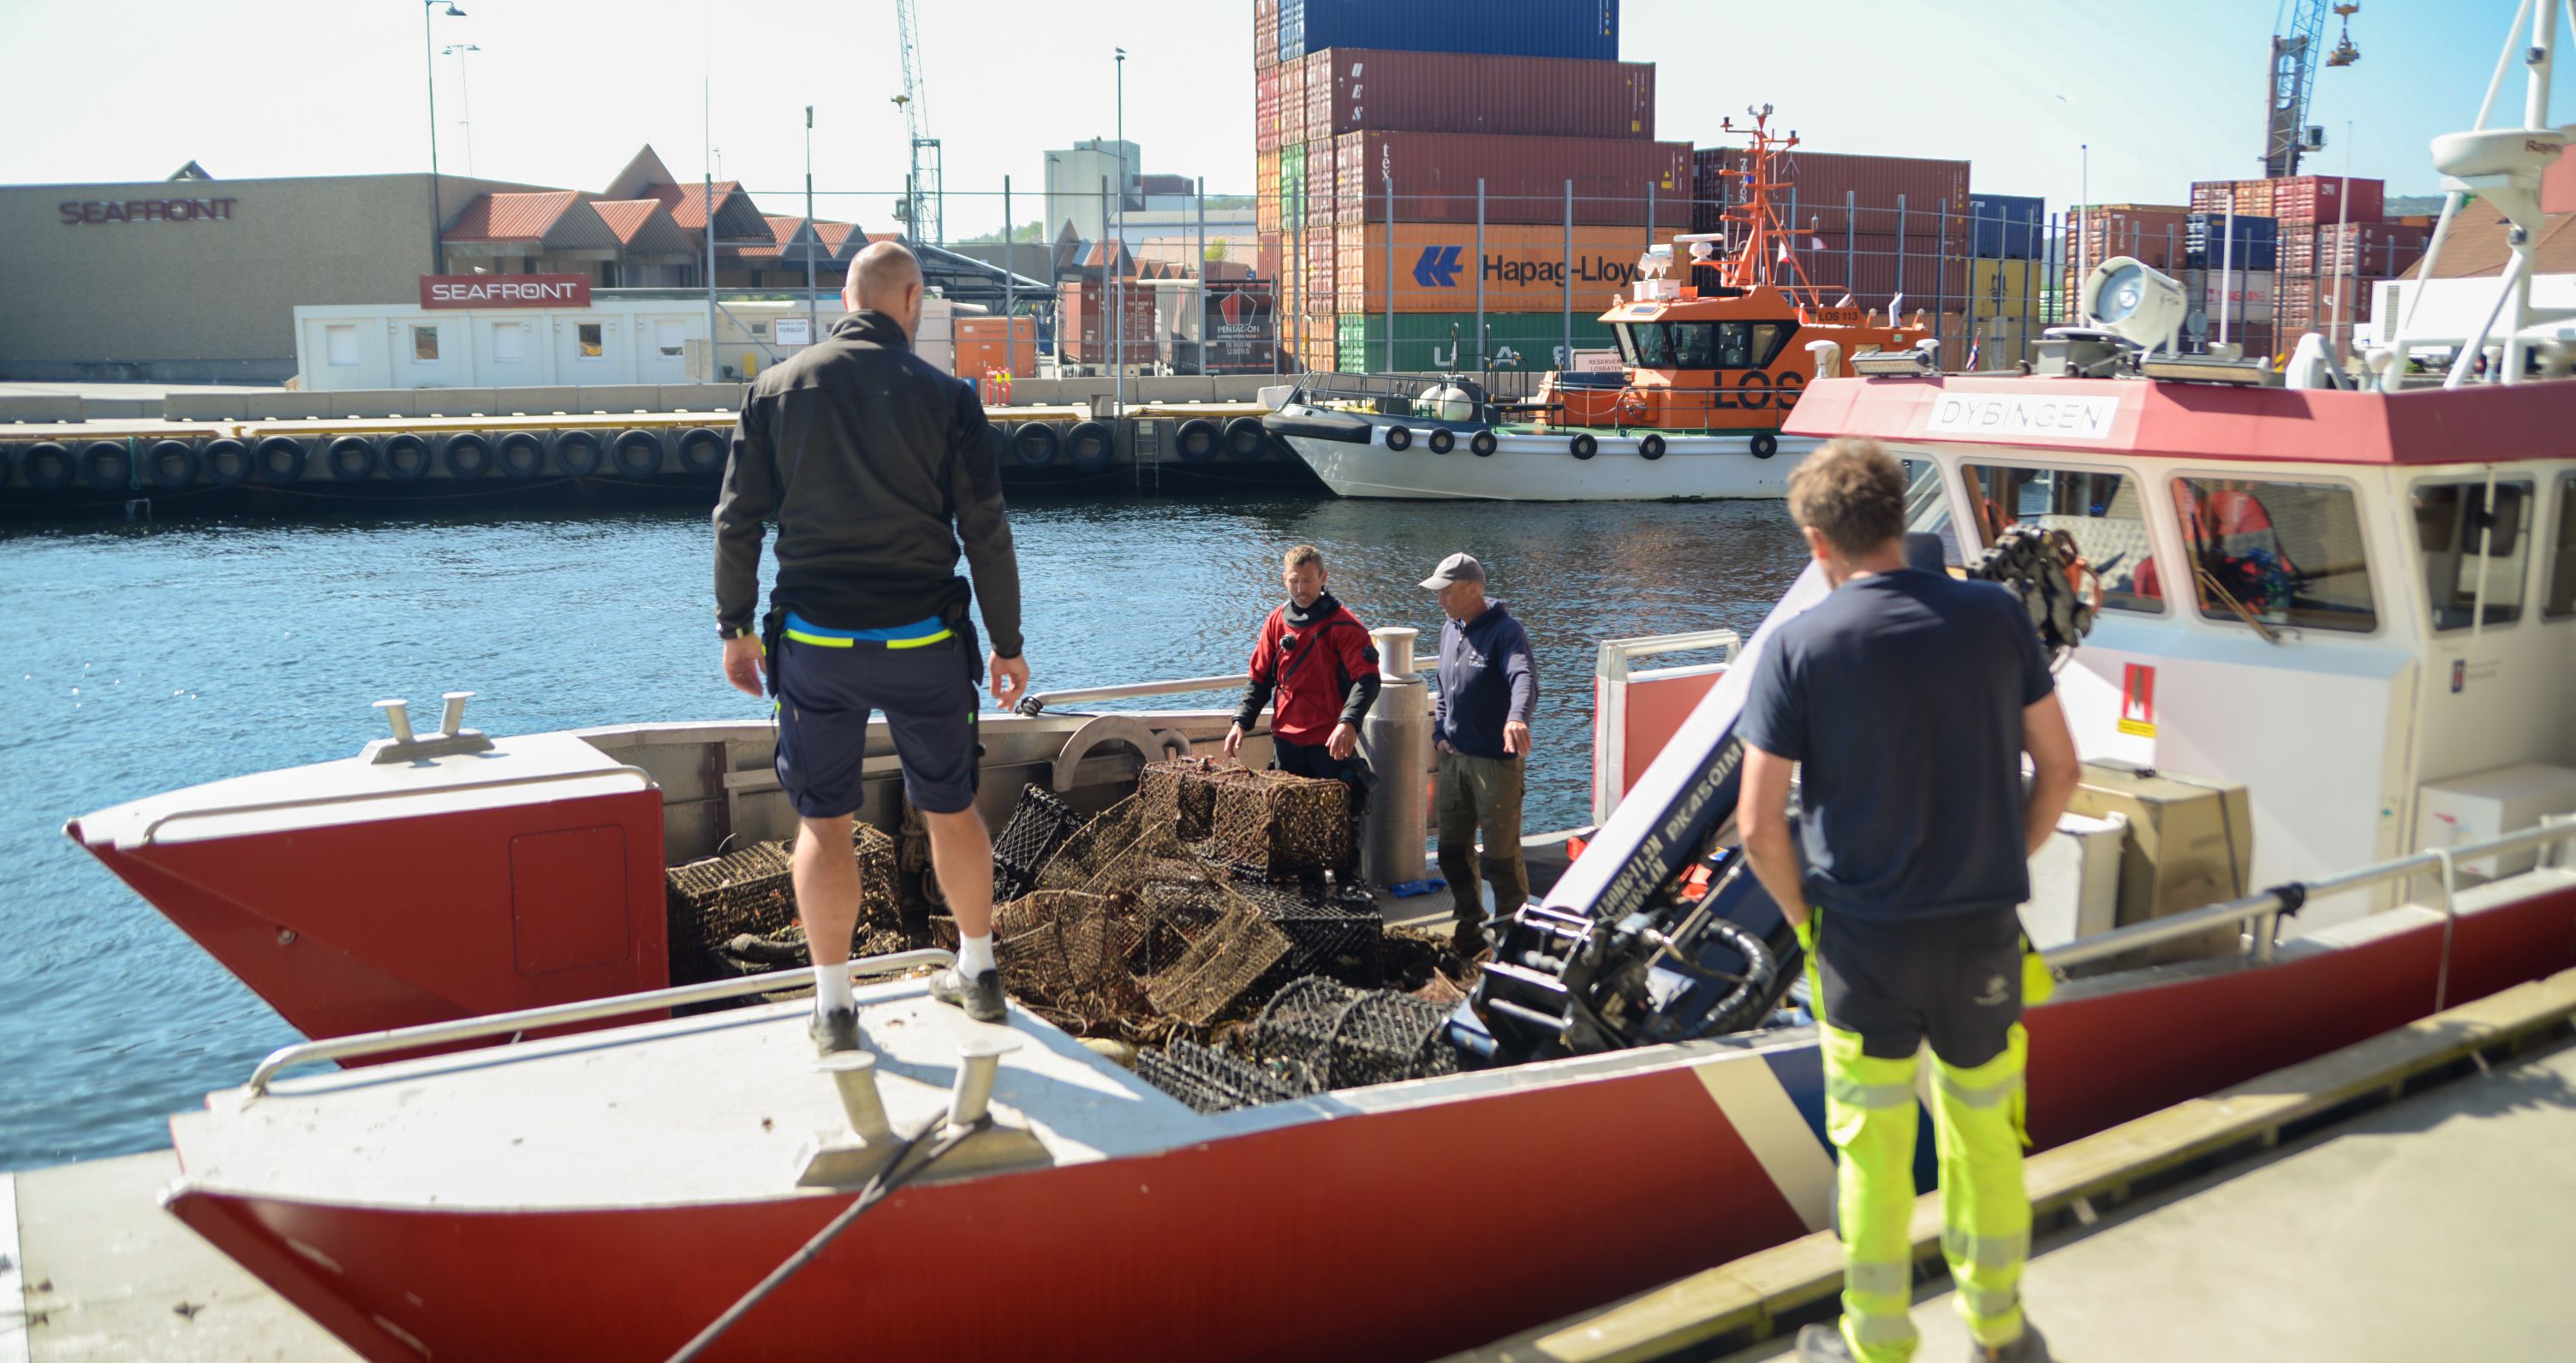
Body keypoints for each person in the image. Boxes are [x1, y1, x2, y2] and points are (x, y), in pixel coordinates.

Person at [1734, 439, 2079, 1363]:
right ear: (1898, 518)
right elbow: (2060, 767)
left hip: (1861, 948)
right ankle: (1999, 1330)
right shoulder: (1994, 617)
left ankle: (1875, 1342)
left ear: (1817, 542)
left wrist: (1810, 923)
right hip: (1978, 934)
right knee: (1985, 1135)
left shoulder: (1796, 646)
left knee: (1874, 1152)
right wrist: (2005, 852)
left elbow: (1757, 824)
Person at [714, 241, 1030, 1055]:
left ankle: (834, 1007)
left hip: (816, 646)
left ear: (845, 301)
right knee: (951, 806)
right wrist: (1007, 644)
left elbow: (737, 522)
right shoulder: (948, 397)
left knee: (823, 821)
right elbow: (985, 531)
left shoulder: (776, 390)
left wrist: (735, 628)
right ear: (912, 299)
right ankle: (979, 971)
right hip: (926, 641)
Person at [1422, 552, 1535, 957]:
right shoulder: (1450, 629)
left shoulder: (1506, 632)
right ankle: (1470, 923)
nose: (1441, 601)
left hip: (1495, 763)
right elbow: (1444, 686)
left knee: (1502, 858)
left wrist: (1516, 718)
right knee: (1452, 851)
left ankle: (1512, 938)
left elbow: (1522, 676)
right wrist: (1439, 733)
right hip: (1455, 758)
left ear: (1473, 590)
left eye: (1447, 593)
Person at [1224, 545, 1380, 816]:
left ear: (1323, 578)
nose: (1301, 589)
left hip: (1329, 743)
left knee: (1337, 828)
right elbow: (1259, 678)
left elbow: (1367, 679)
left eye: (1308, 580)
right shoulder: (1276, 621)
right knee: (1286, 823)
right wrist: (1241, 722)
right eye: (1294, 581)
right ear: (1284, 579)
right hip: (1286, 741)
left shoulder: (1343, 624)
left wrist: (1349, 722)